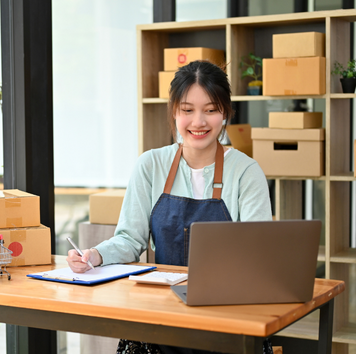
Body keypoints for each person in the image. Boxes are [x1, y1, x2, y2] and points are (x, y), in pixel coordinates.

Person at [67, 60, 273, 354]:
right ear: (175, 111)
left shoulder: (246, 172)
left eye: (210, 110)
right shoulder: (150, 165)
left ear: (225, 113)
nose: (198, 122)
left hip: (228, 318)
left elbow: (258, 253)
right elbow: (130, 239)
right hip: (160, 318)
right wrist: (94, 256)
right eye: (187, 110)